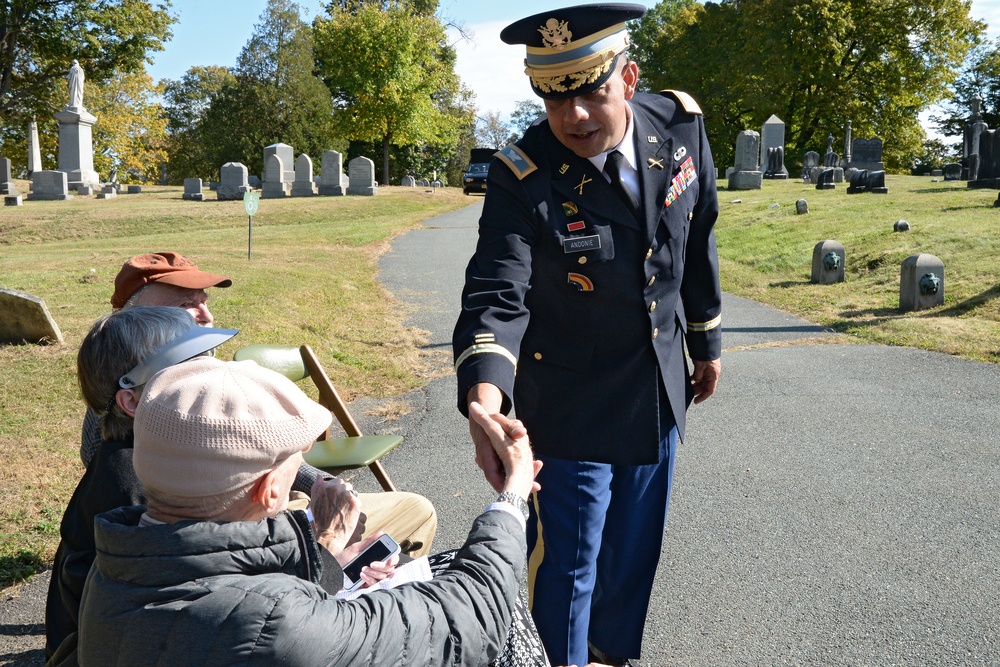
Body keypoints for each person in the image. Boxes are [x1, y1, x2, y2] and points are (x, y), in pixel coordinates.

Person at [452, 4, 722, 666]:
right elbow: (496, 290)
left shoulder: (680, 126)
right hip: (566, 404)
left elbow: (698, 231)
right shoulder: (522, 176)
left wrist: (705, 337)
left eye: (590, 93)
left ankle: (608, 655)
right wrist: (486, 396)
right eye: (553, 98)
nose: (572, 116)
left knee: (633, 552)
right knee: (568, 567)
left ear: (627, 79)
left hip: (657, 387)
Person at [77, 356, 543, 666]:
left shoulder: (112, 570)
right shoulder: (278, 622)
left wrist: (331, 572)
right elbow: (474, 610)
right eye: (295, 461)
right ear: (268, 490)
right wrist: (512, 497)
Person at [82, 251, 438, 557]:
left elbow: (252, 448)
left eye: (204, 301)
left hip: (250, 523)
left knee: (410, 514)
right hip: (244, 536)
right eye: (185, 306)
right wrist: (324, 544)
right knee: (411, 519)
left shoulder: (173, 387)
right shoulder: (125, 465)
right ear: (135, 316)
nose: (205, 316)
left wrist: (317, 483)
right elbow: (200, 564)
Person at [45, 307, 239, 664]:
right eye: (189, 372)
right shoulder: (135, 485)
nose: (210, 377)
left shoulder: (163, 452)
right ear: (132, 401)